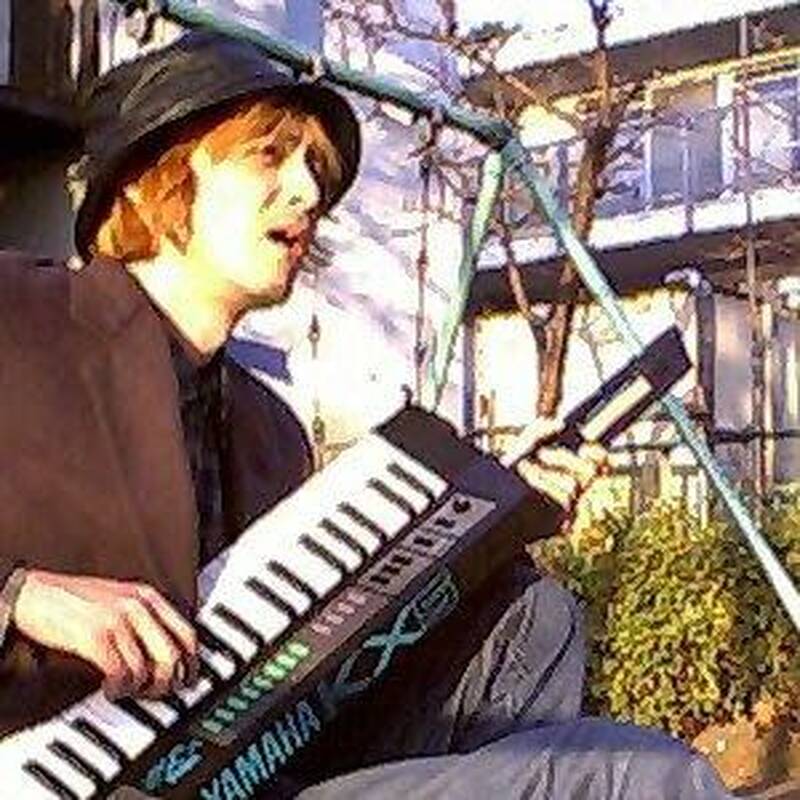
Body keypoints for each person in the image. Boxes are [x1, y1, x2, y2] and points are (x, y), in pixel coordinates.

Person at [0, 31, 732, 799]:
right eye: (268, 155)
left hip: (244, 773)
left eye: (315, 168)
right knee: (632, 778)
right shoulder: (20, 314)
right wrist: (23, 598)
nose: (308, 192)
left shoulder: (269, 430)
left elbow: (325, 675)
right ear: (153, 177)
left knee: (529, 618)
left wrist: (491, 516)